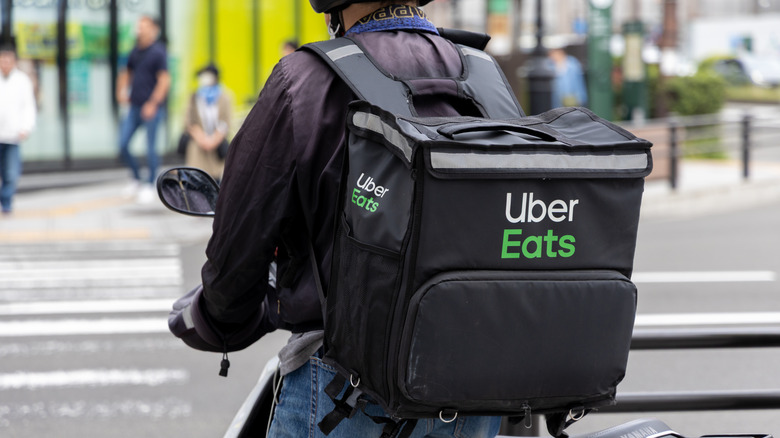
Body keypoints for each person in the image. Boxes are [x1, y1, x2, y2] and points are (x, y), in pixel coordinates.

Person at [168, 1, 502, 437]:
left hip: (343, 393)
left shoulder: (304, 80)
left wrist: (216, 316)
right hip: (472, 386)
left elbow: (239, 237)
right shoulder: (486, 77)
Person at [116, 15, 170, 204]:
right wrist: (121, 91)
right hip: (134, 107)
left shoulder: (158, 52)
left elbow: (164, 80)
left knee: (150, 148)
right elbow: (126, 73)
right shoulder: (135, 51)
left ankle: (150, 184)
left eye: (144, 26)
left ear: (154, 29)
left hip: (151, 108)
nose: (140, 29)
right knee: (122, 144)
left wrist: (153, 103)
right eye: (139, 25)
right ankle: (137, 179)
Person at [0, 42, 36, 216]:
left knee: (11, 173)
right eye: (2, 60)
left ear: (13, 61)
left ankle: (6, 203)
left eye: (8, 60)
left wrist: (26, 127)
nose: (5, 64)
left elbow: (29, 106)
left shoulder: (22, 80)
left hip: (13, 135)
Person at [183, 64, 232, 181]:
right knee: (196, 181)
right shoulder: (194, 96)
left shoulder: (225, 96)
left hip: (217, 147)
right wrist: (202, 139)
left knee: (216, 183)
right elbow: (188, 121)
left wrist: (213, 140)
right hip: (197, 146)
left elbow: (226, 121)